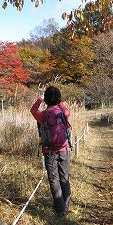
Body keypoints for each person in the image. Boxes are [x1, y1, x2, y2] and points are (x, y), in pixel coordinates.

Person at [30, 85, 71, 216]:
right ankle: (65, 205)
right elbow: (65, 109)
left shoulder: (43, 115)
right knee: (64, 178)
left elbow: (33, 109)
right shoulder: (64, 113)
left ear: (47, 99)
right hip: (64, 149)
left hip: (49, 151)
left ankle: (59, 208)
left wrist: (41, 98)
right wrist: (58, 100)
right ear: (58, 98)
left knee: (54, 179)